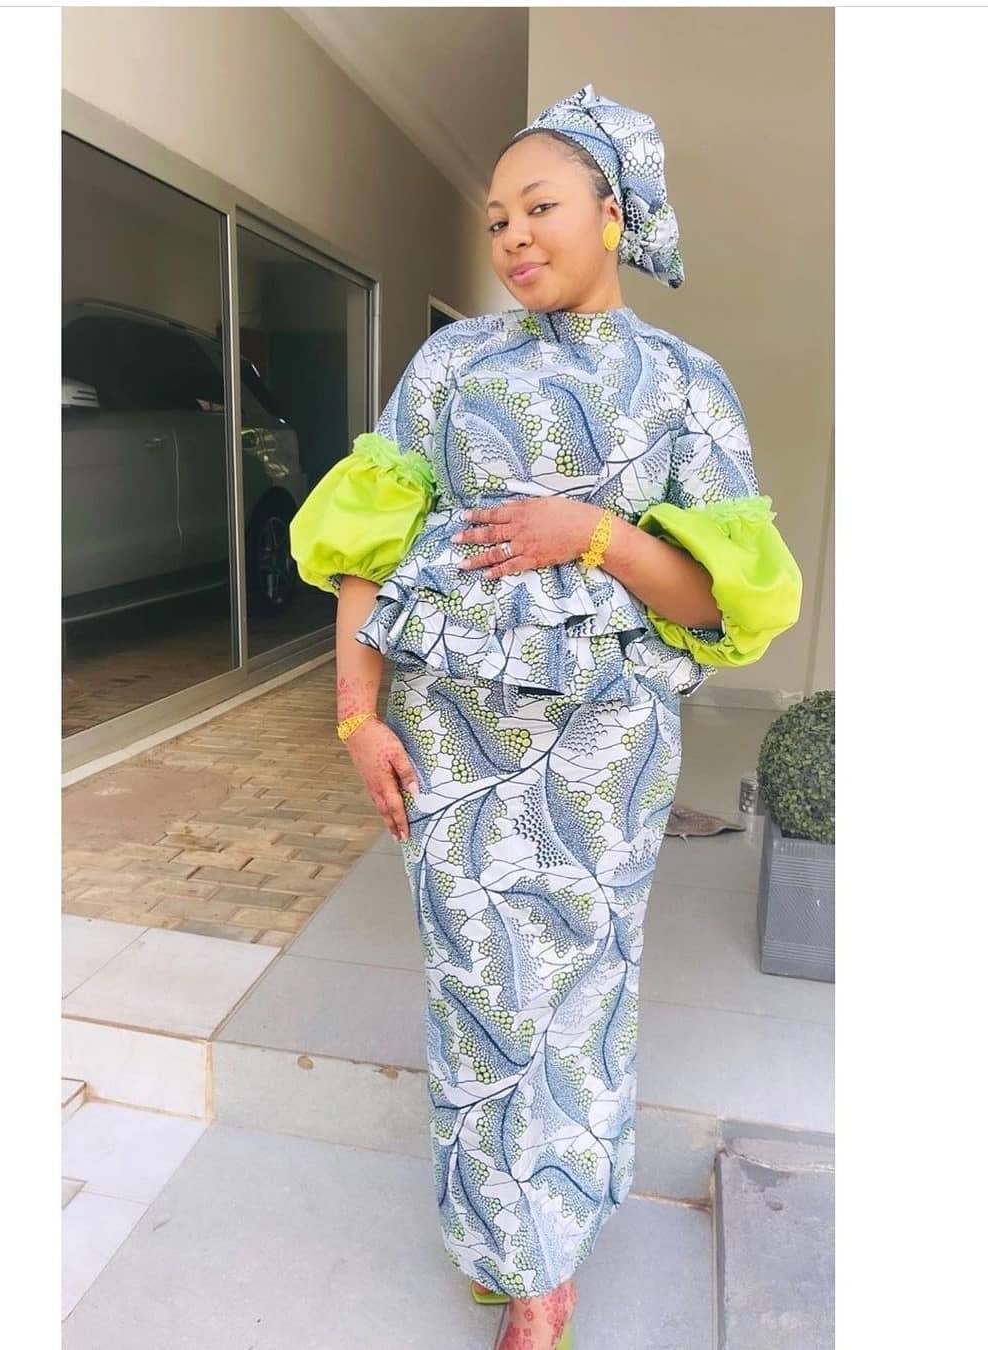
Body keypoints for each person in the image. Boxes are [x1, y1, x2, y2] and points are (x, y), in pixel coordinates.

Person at [289, 83, 801, 1350]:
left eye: (541, 207)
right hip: (449, 735)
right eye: (497, 218)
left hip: (603, 751)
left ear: (613, 213)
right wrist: (357, 714)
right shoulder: (449, 363)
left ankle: (545, 1264)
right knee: (473, 988)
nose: (513, 235)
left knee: (576, 992)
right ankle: (497, 1236)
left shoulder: (684, 385)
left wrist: (594, 533)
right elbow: (366, 540)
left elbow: (719, 599)